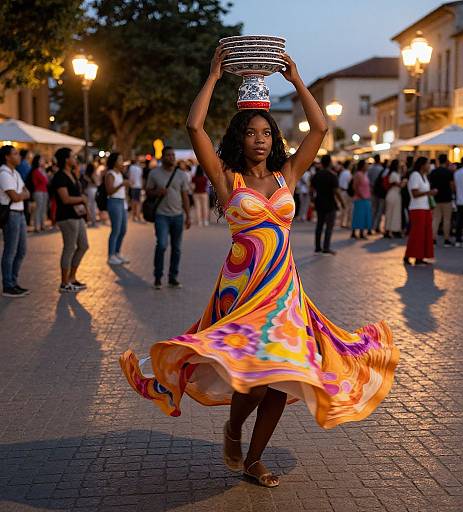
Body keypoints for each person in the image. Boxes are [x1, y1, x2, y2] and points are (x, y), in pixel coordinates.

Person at [119, 48, 399, 488]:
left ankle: (253, 458)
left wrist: (298, 80)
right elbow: (194, 126)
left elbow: (321, 127)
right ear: (239, 138)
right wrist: (213, 75)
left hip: (285, 293)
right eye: (251, 133)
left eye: (266, 132)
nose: (260, 139)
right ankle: (233, 429)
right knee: (251, 380)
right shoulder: (227, 178)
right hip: (242, 292)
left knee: (280, 379)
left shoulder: (288, 174)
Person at [146, 146, 191, 289]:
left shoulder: (181, 175)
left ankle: (173, 277)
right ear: (162, 157)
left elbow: (185, 196)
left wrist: (188, 215)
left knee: (177, 248)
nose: (171, 157)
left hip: (177, 215)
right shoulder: (154, 173)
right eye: (168, 155)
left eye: (173, 155)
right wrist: (156, 192)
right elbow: (147, 192)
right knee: (162, 245)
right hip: (161, 215)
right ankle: (158, 276)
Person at [52, 148, 89, 293]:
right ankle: (64, 282)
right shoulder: (60, 176)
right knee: (69, 247)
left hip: (77, 215)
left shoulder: (73, 174)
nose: (76, 158)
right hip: (66, 217)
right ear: (66, 159)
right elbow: (65, 199)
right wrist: (82, 199)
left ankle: (72, 277)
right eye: (73, 156)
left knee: (83, 245)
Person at [0, 145, 30, 297]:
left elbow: (26, 192)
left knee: (22, 250)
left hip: (20, 214)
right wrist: (22, 195)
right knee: (10, 250)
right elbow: (16, 196)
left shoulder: (15, 173)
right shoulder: (4, 174)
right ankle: (7, 285)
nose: (18, 156)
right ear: (7, 157)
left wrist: (22, 194)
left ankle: (13, 281)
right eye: (15, 153)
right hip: (11, 214)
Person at [404, 157, 437, 265]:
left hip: (425, 207)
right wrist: (429, 193)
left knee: (425, 233)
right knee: (417, 233)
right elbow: (414, 193)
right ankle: (411, 255)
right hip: (417, 208)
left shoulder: (424, 176)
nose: (429, 166)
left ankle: (421, 256)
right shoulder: (415, 175)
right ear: (422, 165)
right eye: (428, 164)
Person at [311, 154, 343, 254]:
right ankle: (326, 247)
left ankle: (317, 246)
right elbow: (336, 191)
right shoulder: (332, 175)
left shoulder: (316, 175)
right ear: (329, 163)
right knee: (329, 226)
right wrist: (341, 202)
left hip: (319, 202)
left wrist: (312, 200)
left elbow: (311, 189)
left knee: (319, 225)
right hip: (330, 203)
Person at [105, 153, 130, 265]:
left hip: (122, 202)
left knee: (123, 229)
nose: (122, 162)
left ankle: (117, 252)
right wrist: (121, 185)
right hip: (114, 202)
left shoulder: (120, 173)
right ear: (114, 161)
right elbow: (109, 191)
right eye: (120, 160)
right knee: (116, 229)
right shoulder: (110, 174)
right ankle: (111, 255)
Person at [429, 154, 454, 247]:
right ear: (446, 161)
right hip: (447, 198)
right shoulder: (449, 172)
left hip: (436, 198)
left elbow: (430, 184)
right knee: (447, 220)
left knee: (436, 219)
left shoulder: (434, 172)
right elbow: (452, 185)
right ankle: (446, 239)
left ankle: (433, 239)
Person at [351, 159, 372, 240]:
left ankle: (361, 232)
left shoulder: (365, 174)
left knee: (363, 216)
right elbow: (355, 186)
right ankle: (355, 232)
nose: (367, 166)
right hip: (360, 198)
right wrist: (361, 195)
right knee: (358, 216)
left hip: (365, 198)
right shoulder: (358, 174)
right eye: (366, 165)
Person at [30, 155, 49, 232]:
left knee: (43, 209)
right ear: (37, 161)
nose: (43, 161)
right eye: (41, 160)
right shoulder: (36, 171)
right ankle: (37, 226)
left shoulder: (42, 170)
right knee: (38, 209)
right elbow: (45, 180)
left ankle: (42, 224)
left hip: (44, 191)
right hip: (38, 192)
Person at [384, 159, 403, 238]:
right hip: (394, 194)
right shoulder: (394, 174)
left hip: (394, 194)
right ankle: (391, 230)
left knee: (392, 213)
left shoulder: (394, 174)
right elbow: (398, 184)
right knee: (392, 213)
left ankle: (391, 230)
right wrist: (404, 182)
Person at [367, 154, 384, 234]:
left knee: (373, 210)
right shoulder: (381, 169)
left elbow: (367, 180)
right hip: (380, 192)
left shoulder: (370, 169)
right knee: (379, 210)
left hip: (372, 191)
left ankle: (370, 228)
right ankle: (377, 227)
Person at [83, 163, 99, 227]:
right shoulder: (93, 174)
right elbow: (97, 183)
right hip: (93, 190)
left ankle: (89, 220)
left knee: (89, 206)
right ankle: (93, 221)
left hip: (87, 190)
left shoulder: (85, 175)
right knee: (93, 206)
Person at [338, 160, 353, 228]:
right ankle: (347, 223)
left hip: (342, 191)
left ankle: (342, 223)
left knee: (343, 208)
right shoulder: (348, 173)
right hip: (346, 192)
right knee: (348, 209)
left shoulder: (343, 172)